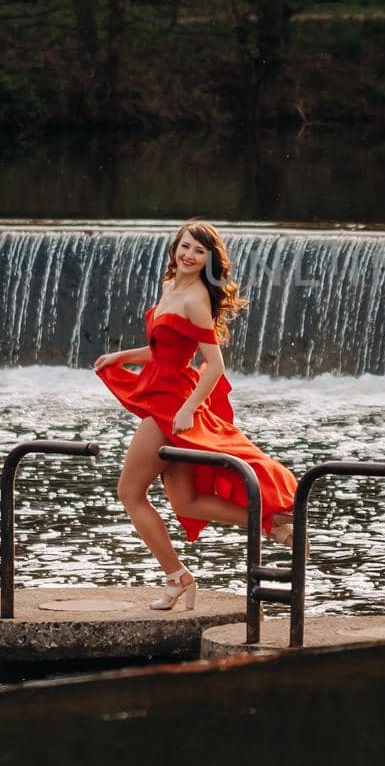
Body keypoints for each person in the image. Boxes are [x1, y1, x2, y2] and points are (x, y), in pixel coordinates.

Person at [95, 220, 298, 611]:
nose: (189, 255)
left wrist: (188, 409)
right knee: (187, 502)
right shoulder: (171, 287)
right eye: (185, 246)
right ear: (175, 248)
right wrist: (123, 356)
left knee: (129, 493)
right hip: (160, 394)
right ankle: (271, 526)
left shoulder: (197, 301)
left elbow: (215, 365)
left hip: (171, 407)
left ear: (208, 260)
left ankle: (177, 578)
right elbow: (164, 349)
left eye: (198, 251)